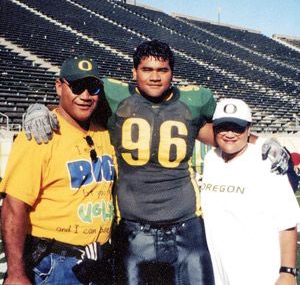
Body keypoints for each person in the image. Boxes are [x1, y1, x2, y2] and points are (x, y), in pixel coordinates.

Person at [22, 40, 290, 284]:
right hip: (133, 230)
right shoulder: (113, 95)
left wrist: (262, 141)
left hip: (187, 228)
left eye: (162, 70)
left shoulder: (194, 100)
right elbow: (77, 100)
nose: (154, 76)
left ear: (172, 73)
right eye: (147, 69)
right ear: (134, 72)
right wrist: (41, 109)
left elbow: (225, 131)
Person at [0, 57, 116, 285]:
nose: (85, 95)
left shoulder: (104, 132)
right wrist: (15, 273)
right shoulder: (39, 136)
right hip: (55, 263)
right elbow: (14, 208)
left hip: (98, 260)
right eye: (76, 86)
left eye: (92, 88)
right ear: (59, 86)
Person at [201, 98, 300, 285]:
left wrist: (287, 273)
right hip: (220, 273)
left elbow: (287, 222)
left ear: (248, 130)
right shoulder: (210, 159)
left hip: (260, 272)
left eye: (237, 127)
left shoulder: (266, 162)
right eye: (224, 127)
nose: (230, 133)